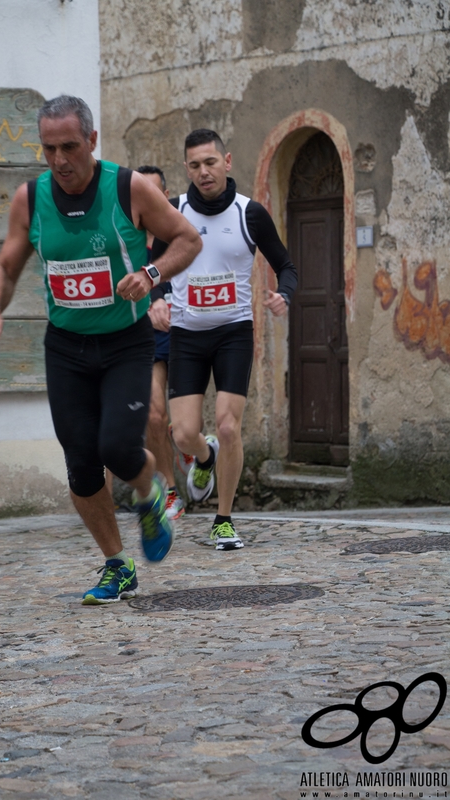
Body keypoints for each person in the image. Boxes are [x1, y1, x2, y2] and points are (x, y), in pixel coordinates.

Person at [0, 96, 202, 603]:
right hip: (67, 348)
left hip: (125, 342)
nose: (59, 160)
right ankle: (116, 565)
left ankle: (149, 494)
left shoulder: (129, 188)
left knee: (118, 448)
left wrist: (150, 274)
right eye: (49, 148)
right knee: (80, 462)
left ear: (92, 141)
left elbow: (187, 240)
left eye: (70, 147)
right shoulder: (30, 200)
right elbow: (6, 266)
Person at [153, 128, 297, 551]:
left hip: (233, 332)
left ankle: (223, 519)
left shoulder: (248, 213)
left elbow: (285, 265)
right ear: (187, 169)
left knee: (230, 425)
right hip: (186, 335)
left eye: (210, 162)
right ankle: (204, 456)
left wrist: (283, 294)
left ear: (227, 161)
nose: (203, 172)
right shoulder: (173, 211)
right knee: (182, 434)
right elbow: (153, 265)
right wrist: (157, 298)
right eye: (195, 165)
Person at [136, 165, 186, 520]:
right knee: (154, 415)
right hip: (145, 337)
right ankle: (169, 490)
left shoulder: (181, 235)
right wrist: (149, 303)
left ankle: (186, 443)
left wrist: (169, 300)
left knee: (185, 425)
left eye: (155, 193)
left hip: (185, 333)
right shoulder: (124, 240)